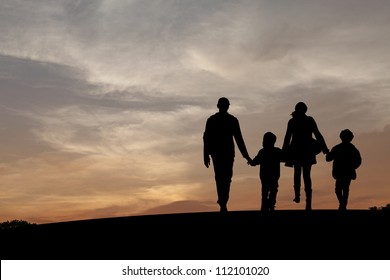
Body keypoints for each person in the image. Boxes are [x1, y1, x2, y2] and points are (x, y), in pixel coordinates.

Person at [203, 97, 252, 212]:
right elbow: (207, 138)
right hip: (218, 153)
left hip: (227, 153)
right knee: (221, 178)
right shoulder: (212, 120)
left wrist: (246, 156)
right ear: (219, 106)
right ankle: (222, 202)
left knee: (226, 178)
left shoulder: (232, 120)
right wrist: (205, 155)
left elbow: (239, 139)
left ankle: (223, 201)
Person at [282, 101, 329, 210]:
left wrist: (284, 151)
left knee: (298, 173)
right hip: (305, 150)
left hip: (299, 150)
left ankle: (299, 197)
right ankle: (306, 200)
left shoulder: (294, 121)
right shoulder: (307, 120)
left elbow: (287, 137)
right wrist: (324, 148)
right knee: (305, 175)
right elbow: (317, 134)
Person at [326, 129, 362, 210]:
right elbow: (329, 158)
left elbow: (328, 158)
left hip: (343, 172)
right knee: (342, 189)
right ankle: (343, 204)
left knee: (341, 189)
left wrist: (352, 167)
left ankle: (342, 204)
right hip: (342, 172)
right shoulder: (349, 148)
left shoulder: (339, 148)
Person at [250, 131, 284, 211]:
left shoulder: (262, 152)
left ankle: (265, 206)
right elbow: (284, 157)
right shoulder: (277, 151)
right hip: (274, 175)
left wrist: (251, 162)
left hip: (265, 175)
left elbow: (255, 162)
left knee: (265, 191)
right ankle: (271, 205)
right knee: (273, 190)